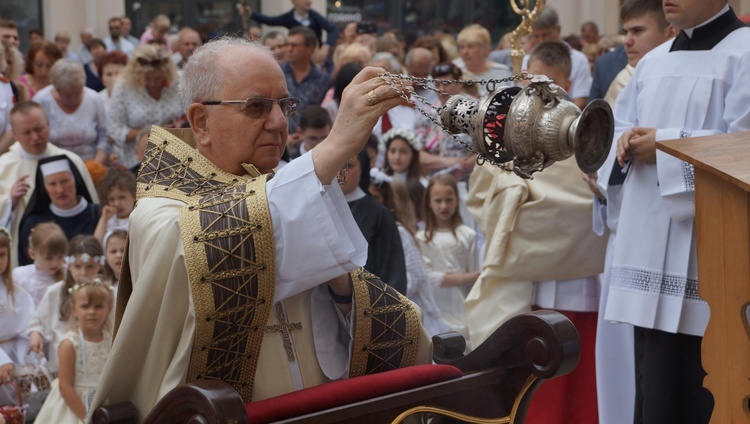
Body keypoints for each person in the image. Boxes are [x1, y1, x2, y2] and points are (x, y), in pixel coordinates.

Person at [90, 36, 430, 419]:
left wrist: (344, 290)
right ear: (201, 122)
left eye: (284, 105)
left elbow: (351, 314)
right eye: (257, 107)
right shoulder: (159, 210)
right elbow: (201, 246)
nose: (280, 122)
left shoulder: (287, 188)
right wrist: (332, 148)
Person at [598, 1, 749, 422]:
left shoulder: (745, 52)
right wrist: (623, 146)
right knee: (653, 386)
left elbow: (745, 147)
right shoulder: (652, 62)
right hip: (646, 246)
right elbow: (617, 130)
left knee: (704, 387)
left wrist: (666, 146)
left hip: (712, 251)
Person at [465, 41, 606, 424]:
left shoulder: (585, 127)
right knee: (536, 367)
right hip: (531, 277)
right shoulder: (513, 127)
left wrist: (548, 210)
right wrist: (512, 193)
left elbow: (593, 196)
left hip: (579, 272)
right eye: (532, 81)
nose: (542, 91)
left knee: (579, 375)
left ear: (567, 81)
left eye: (550, 82)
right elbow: (483, 190)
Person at [587, 2, 676, 423]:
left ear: (669, 29)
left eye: (638, 30)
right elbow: (610, 147)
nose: (627, 41)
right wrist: (607, 172)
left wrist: (663, 146)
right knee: (623, 362)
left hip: (678, 234)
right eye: (626, 31)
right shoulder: (633, 76)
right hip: (630, 235)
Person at [0, 101, 99, 267]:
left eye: (39, 129)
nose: (35, 137)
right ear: (14, 134)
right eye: (26, 132)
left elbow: (91, 207)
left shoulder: (70, 160)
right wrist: (9, 201)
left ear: (48, 124)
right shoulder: (4, 166)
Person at [370, 172, 452, 337]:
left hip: (408, 313)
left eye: (376, 198)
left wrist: (384, 297)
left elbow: (416, 273)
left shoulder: (399, 233)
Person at [34, 275, 113, 422]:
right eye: (85, 306)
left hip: (103, 403)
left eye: (98, 306)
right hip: (76, 407)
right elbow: (65, 386)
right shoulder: (69, 344)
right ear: (74, 309)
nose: (91, 312)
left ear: (108, 308)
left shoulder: (110, 340)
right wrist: (86, 417)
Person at [416, 174, 479, 343]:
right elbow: (426, 277)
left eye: (449, 200)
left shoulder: (468, 235)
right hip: (435, 307)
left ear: (457, 200)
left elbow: (475, 277)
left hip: (462, 308)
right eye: (438, 200)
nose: (444, 205)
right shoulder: (420, 239)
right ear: (429, 202)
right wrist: (462, 278)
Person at [26, 235, 106, 368]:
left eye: (90, 267)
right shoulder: (55, 292)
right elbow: (37, 321)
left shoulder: (109, 293)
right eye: (78, 266)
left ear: (100, 266)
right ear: (69, 266)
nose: (83, 273)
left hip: (97, 358)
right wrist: (35, 333)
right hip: (62, 358)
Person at [342, 149, 408, 296]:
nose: (341, 172)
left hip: (367, 303)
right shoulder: (318, 207)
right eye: (337, 164)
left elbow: (392, 270)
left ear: (363, 168)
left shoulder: (378, 213)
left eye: (349, 165)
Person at [106, 44, 183, 170]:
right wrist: (156, 132)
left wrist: (181, 125)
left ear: (167, 73)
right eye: (147, 78)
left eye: (158, 78)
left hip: (175, 158)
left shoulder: (178, 81)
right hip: (135, 162)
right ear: (137, 74)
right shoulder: (124, 86)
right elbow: (114, 130)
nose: (153, 83)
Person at [18, 156, 100, 265]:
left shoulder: (99, 214)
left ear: (75, 181)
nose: (60, 189)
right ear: (44, 187)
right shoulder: (33, 223)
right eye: (52, 184)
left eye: (65, 181)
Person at [32, 59, 110, 163]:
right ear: (56, 89)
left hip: (90, 163)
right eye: (67, 94)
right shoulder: (42, 101)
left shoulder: (94, 99)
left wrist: (96, 164)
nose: (73, 98)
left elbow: (105, 135)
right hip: (54, 164)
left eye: (77, 93)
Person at [525, 7, 592, 109]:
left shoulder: (579, 60)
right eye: (536, 36)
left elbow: (580, 103)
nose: (541, 40)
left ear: (558, 29)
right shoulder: (527, 59)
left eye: (545, 35)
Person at [244, 0, 340, 65]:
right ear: (293, 1)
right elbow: (270, 20)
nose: (309, 1)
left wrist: (326, 46)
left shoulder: (314, 16)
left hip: (316, 58)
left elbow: (333, 29)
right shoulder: (288, 17)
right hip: (298, 57)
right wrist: (252, 14)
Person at [0, 226, 35, 382]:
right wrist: (2, 360)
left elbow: (25, 332)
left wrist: (20, 360)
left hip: (13, 361)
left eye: (2, 255)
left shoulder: (18, 292)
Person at [283, 26, 331, 135]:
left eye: (294, 45)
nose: (289, 49)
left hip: (311, 142)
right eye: (287, 44)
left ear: (310, 48)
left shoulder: (323, 80)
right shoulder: (278, 74)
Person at [12, 221, 68, 306]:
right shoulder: (20, 276)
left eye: (60, 257)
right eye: (49, 258)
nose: (55, 263)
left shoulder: (68, 273)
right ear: (32, 254)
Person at [454, 24, 512, 96]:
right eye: (462, 47)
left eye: (470, 47)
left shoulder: (502, 72)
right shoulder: (454, 70)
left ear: (485, 48)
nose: (465, 52)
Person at [93, 170, 135, 244]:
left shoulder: (138, 218)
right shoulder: (109, 220)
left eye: (122, 197)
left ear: (134, 196)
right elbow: (96, 244)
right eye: (111, 199)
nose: (117, 203)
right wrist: (104, 219)